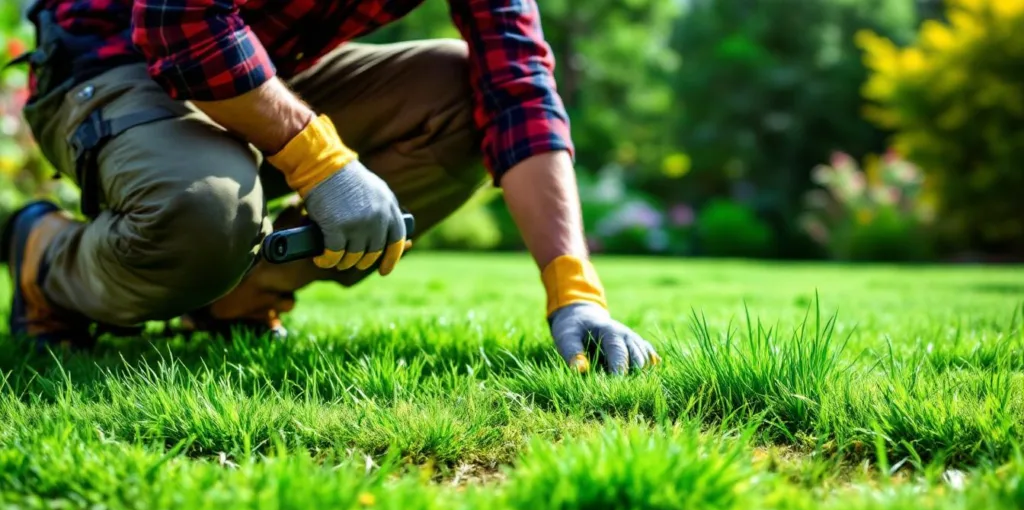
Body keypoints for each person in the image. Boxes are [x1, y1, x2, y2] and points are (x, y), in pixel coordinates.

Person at [1, 0, 661, 374]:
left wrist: (574, 291)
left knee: (467, 95)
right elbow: (181, 23)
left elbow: (517, 89)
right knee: (203, 212)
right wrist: (321, 162)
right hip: (113, 65)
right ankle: (46, 260)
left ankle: (239, 297)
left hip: (264, 66)